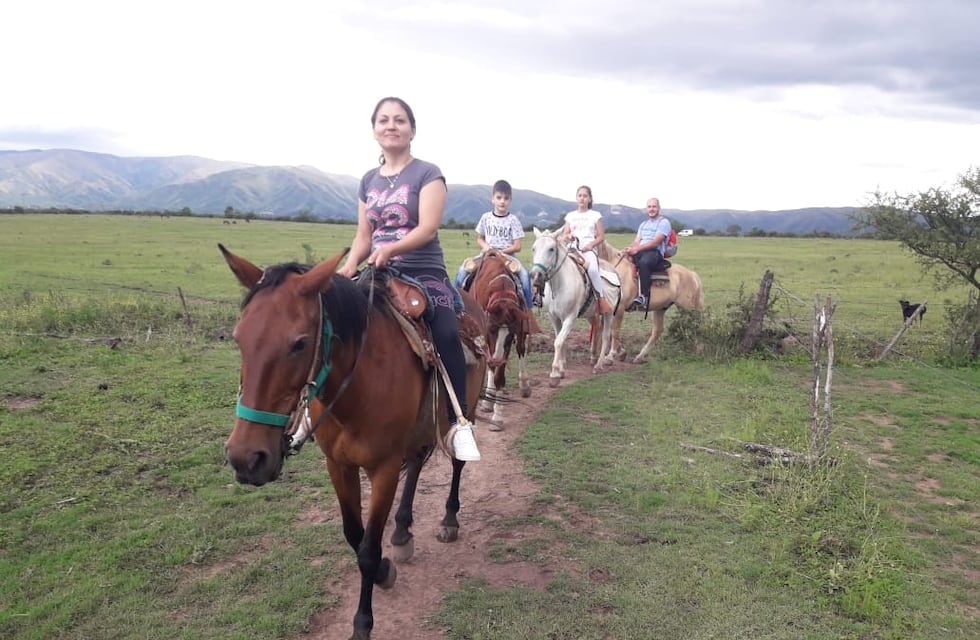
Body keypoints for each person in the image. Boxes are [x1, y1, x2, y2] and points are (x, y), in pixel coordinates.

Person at [337, 96, 481, 462]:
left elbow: (427, 228)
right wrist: (350, 264)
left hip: (423, 271)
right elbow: (364, 235)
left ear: (412, 130)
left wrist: (391, 249)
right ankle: (314, 413)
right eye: (383, 120)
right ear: (374, 130)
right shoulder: (368, 180)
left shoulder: (428, 174)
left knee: (446, 331)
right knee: (335, 321)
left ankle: (459, 422)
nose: (391, 126)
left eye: (399, 120)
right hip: (378, 270)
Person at [455, 179, 536, 308]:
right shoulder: (486, 218)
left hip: (507, 256)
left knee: (525, 276)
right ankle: (457, 304)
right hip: (486, 254)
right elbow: (480, 238)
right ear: (492, 199)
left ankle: (528, 307)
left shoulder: (513, 220)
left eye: (506, 198)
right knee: (462, 271)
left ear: (510, 200)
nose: (502, 201)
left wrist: (500, 252)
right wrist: (487, 247)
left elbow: (517, 246)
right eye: (499, 197)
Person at [561, 185, 614, 314]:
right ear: (576, 198)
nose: (582, 198)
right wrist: (569, 236)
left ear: (590, 199)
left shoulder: (595, 215)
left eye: (585, 196)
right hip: (572, 249)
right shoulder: (570, 216)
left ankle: (600, 299)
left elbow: (601, 237)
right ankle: (543, 295)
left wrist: (591, 245)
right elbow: (565, 234)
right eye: (580, 196)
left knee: (593, 270)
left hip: (587, 249)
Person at [625, 197, 672, 308]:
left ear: (659, 208)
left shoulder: (664, 222)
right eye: (649, 207)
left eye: (654, 206)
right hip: (641, 251)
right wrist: (630, 249)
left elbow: (655, 242)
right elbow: (637, 241)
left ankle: (644, 296)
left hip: (654, 252)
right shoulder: (643, 224)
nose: (651, 209)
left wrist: (637, 249)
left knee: (644, 263)